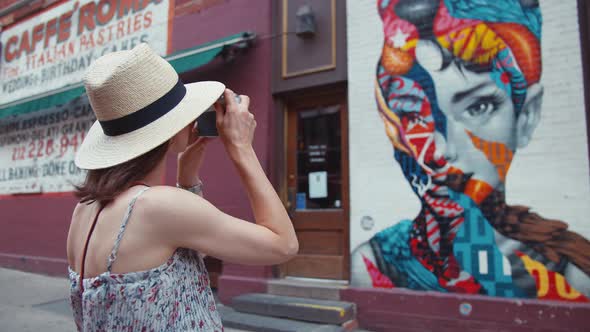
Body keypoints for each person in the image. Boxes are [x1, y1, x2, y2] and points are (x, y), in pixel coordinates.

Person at [351, 0, 590, 302]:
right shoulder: (376, 265)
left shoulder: (570, 275)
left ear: (526, 117)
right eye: (416, 117)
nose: (443, 148)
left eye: (478, 107)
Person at [66, 43, 298, 331]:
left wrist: (187, 177)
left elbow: (185, 253)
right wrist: (241, 150)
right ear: (170, 129)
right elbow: (283, 245)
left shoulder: (84, 211)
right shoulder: (159, 207)